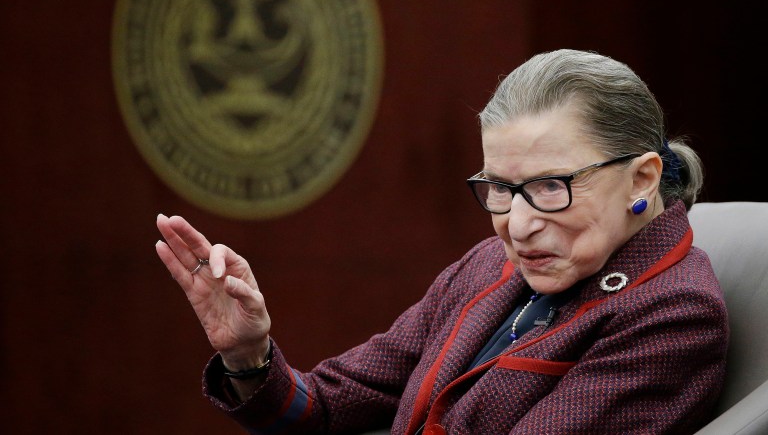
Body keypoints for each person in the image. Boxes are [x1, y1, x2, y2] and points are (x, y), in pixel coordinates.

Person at [155, 48, 728, 434]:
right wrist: (247, 354)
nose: (518, 225)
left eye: (551, 186)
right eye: (501, 188)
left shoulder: (673, 314)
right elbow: (325, 406)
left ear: (643, 178)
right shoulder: (490, 264)